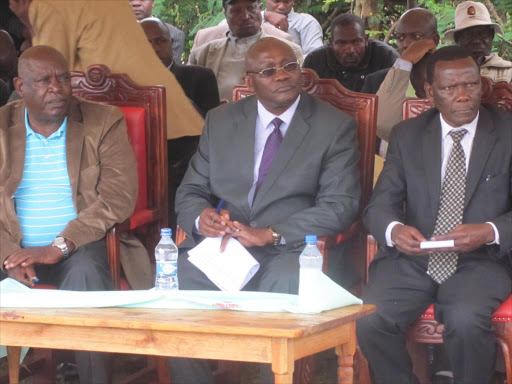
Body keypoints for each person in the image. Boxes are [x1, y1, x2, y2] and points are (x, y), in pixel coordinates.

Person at [170, 37, 360, 384]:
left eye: (289, 66)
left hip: (287, 250)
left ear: (301, 71)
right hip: (224, 249)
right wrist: (202, 218)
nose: (282, 76)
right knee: (180, 280)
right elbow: (191, 190)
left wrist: (271, 233)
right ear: (250, 80)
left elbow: (340, 206)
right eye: (269, 71)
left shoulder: (334, 126)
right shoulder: (221, 120)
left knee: (284, 285)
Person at [356, 46, 512, 384]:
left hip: (481, 261)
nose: (462, 96)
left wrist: (490, 230)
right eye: (449, 88)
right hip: (413, 259)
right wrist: (394, 230)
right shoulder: (408, 135)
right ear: (430, 92)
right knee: (370, 318)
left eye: (470, 85)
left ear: (481, 85)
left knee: (466, 318)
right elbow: (380, 205)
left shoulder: (508, 133)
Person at [0, 46, 152, 383]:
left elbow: (118, 198)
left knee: (86, 273)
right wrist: (10, 254)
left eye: (63, 78)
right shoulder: (1, 125)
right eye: (43, 80)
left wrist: (58, 246)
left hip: (80, 245)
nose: (57, 88)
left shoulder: (103, 121)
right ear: (20, 86)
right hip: (11, 248)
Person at [9, 0, 204, 141]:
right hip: (178, 127)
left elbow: (46, 70)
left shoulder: (52, 7)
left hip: (157, 137)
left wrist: (30, 18)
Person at [141, 17, 220, 232]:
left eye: (160, 41)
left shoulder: (199, 77)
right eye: (145, 43)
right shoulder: (124, 81)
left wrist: (170, 89)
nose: (154, 49)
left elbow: (209, 128)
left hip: (183, 160)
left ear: (170, 43)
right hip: (136, 159)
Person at [188, 0, 303, 101]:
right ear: (225, 14)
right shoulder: (203, 54)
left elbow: (299, 95)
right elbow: (188, 97)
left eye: (251, 8)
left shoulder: (289, 51)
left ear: (260, 8)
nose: (245, 16)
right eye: (236, 11)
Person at [361, 8, 439, 155]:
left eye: (416, 36)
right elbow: (381, 125)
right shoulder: (376, 81)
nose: (406, 44)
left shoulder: (450, 79)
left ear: (434, 40)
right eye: (400, 37)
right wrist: (404, 62)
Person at [303, 13, 398, 92]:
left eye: (356, 42)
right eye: (341, 43)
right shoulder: (315, 60)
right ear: (331, 43)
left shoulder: (386, 56)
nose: (350, 50)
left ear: (366, 40)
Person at [445, 1, 512, 84]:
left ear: (492, 35)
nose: (476, 40)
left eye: (482, 33)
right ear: (457, 39)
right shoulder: (445, 73)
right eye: (468, 35)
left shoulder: (508, 71)